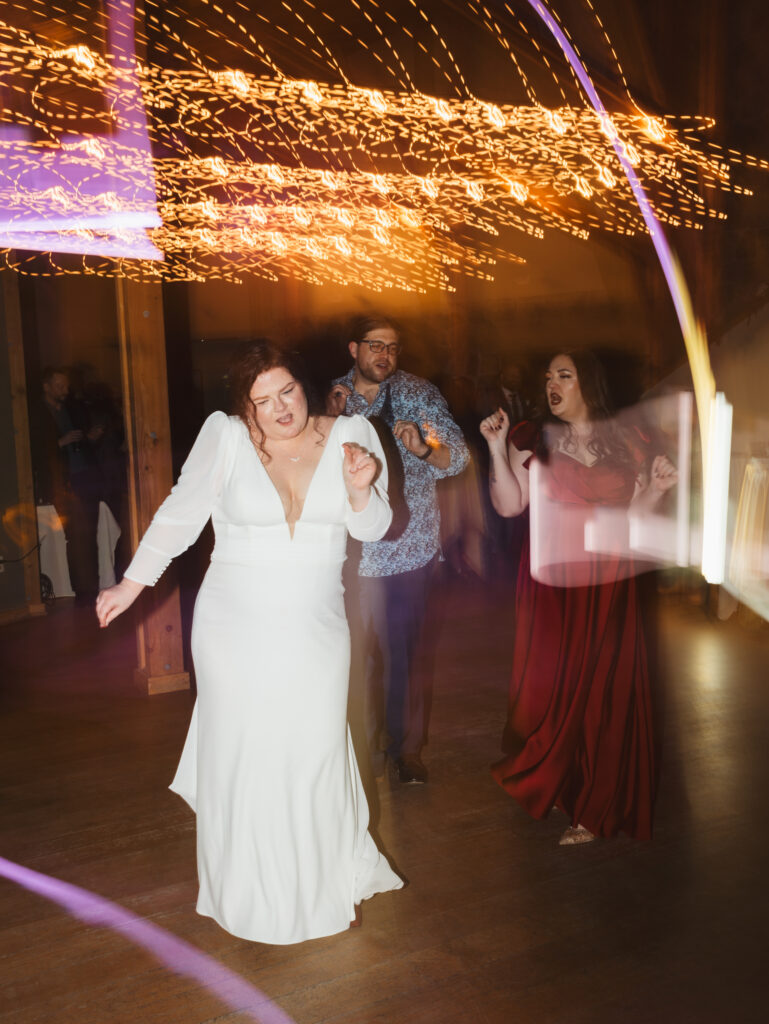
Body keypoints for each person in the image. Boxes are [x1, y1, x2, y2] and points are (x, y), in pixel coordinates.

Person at [96, 342, 403, 944]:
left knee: (313, 754)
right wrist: (133, 585)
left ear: (303, 385)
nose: (279, 408)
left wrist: (363, 489)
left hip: (316, 625)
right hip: (232, 625)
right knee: (246, 756)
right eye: (262, 401)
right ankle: (244, 893)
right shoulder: (228, 438)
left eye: (286, 391)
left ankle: (322, 887)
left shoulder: (352, 433)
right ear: (246, 407)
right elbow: (181, 515)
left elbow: (374, 528)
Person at [480, 350, 677, 844]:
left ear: (589, 383)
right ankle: (560, 781)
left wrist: (654, 489)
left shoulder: (632, 441)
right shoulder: (532, 436)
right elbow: (509, 505)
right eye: (548, 376)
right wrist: (496, 447)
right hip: (553, 586)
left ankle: (595, 807)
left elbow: (636, 518)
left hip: (611, 583)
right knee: (557, 690)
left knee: (603, 691)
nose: (553, 384)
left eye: (564, 376)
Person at [328, 315, 469, 784]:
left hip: (409, 550)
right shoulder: (333, 399)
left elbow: (458, 458)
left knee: (404, 657)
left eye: (392, 347)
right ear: (354, 349)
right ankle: (362, 751)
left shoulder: (419, 395)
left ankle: (406, 755)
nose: (384, 355)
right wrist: (329, 419)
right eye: (375, 345)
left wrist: (425, 448)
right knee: (355, 657)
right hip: (352, 556)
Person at [29, 366, 102, 600]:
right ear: (46, 386)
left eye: (66, 385)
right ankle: (83, 590)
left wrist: (89, 438)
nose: (65, 390)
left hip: (84, 476)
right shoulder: (37, 413)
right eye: (60, 385)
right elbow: (31, 449)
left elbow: (81, 440)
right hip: (62, 480)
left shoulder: (71, 408)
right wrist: (60, 442)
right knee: (76, 534)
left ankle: (93, 585)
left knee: (91, 532)